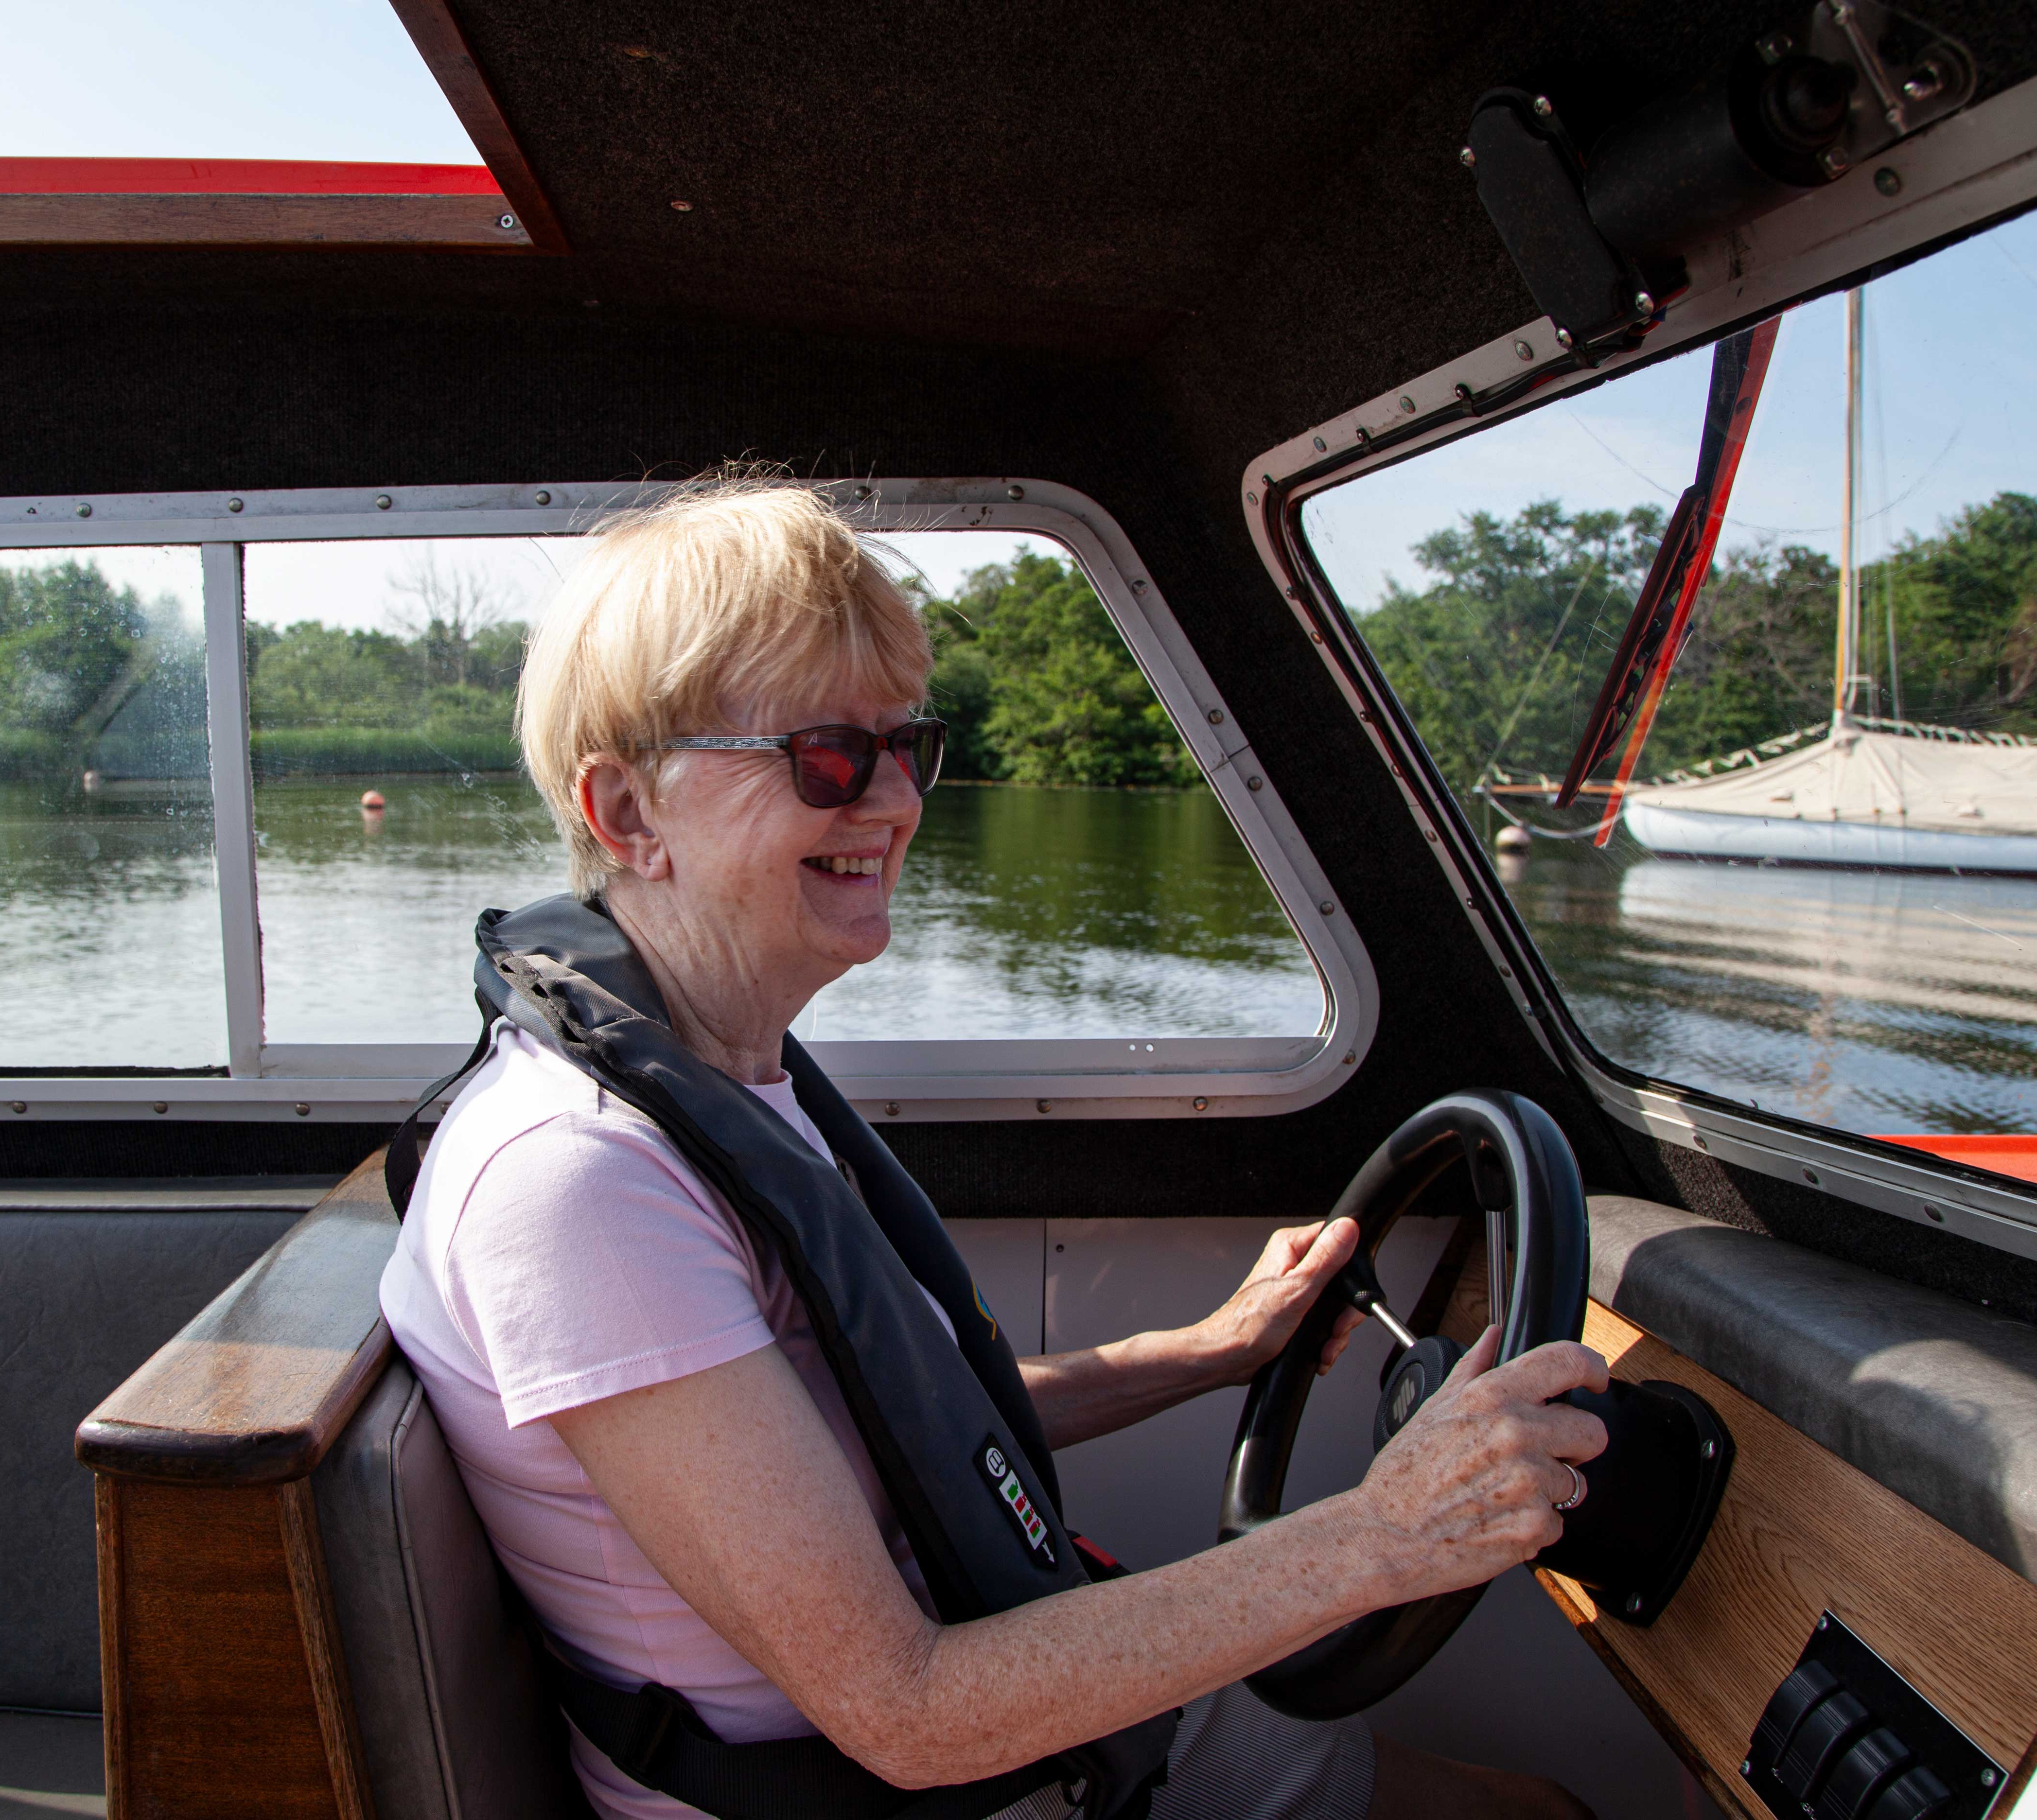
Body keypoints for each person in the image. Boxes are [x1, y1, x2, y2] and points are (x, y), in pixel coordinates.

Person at [380, 478, 1609, 1820]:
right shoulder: (578, 1184)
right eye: (830, 759)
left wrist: (1204, 1353)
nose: (897, 802)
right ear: (626, 816)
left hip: (1037, 1737)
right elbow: (906, 1711)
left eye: (913, 746)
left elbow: (872, 1426)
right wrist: (1384, 1534)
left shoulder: (724, 1082)